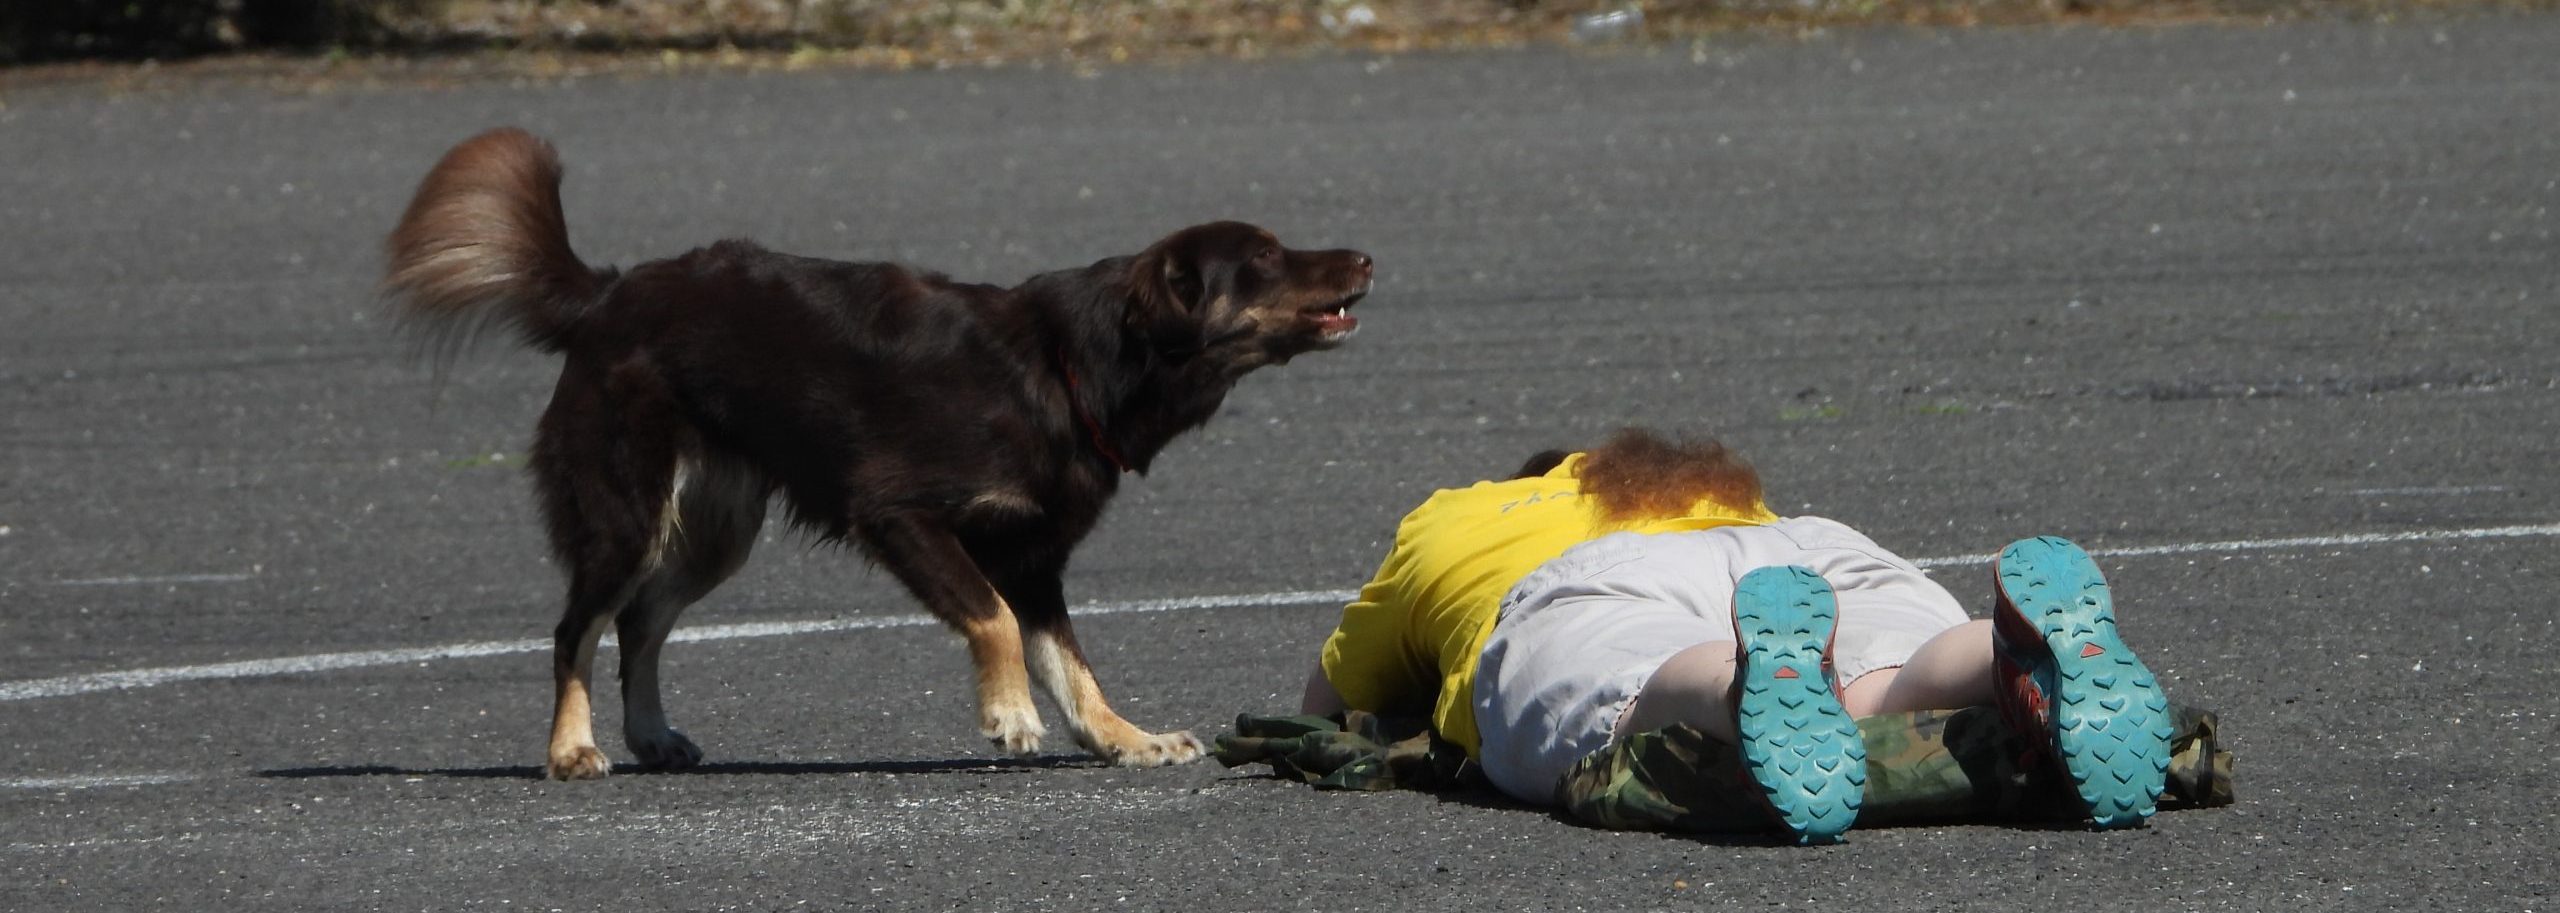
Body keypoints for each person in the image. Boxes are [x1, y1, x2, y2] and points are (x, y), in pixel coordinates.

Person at [1300, 428, 2173, 843]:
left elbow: (1329, 702)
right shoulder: (1704, 484)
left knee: (1638, 684)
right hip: (1800, 547)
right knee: (1888, 681)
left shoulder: (1460, 515)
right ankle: (2000, 651)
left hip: (1585, 584)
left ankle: (1740, 679)